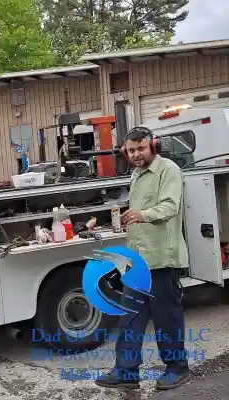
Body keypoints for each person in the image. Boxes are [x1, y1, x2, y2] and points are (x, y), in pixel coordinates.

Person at [95, 127, 190, 391]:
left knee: (166, 318)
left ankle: (177, 368)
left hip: (161, 258)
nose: (136, 155)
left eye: (141, 149)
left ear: (153, 146)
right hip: (138, 261)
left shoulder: (168, 170)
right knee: (130, 318)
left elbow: (171, 206)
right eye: (131, 150)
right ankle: (126, 372)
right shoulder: (136, 174)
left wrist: (142, 215)